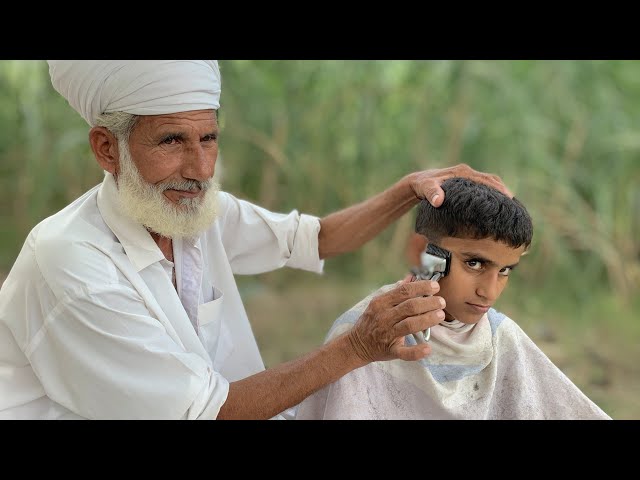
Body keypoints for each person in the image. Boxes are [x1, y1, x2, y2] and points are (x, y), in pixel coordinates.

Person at [0, 60, 513, 420]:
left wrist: (405, 191)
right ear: (107, 149)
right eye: (172, 140)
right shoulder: (72, 263)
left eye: (209, 138)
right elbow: (207, 413)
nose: (199, 168)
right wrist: (357, 347)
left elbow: (312, 239)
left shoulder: (190, 210)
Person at [295, 177, 611, 419]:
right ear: (421, 252)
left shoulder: (500, 337)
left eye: (505, 271)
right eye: (474, 263)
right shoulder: (363, 333)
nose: (489, 291)